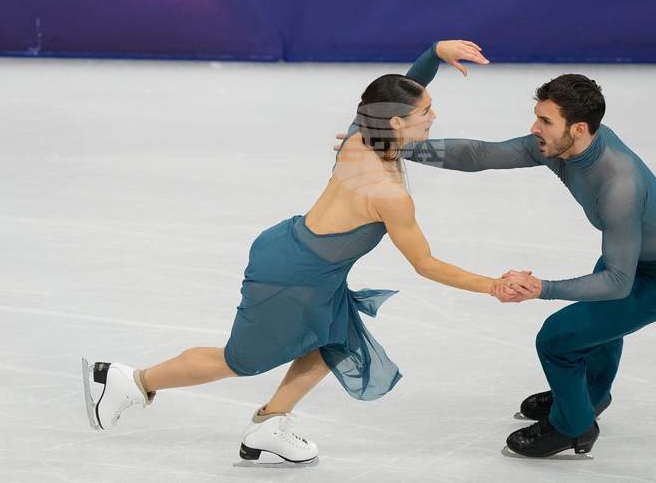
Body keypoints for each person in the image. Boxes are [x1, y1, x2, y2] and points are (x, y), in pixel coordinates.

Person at [81, 40, 519, 466]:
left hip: (299, 256)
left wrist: (433, 56)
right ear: (399, 123)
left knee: (333, 341)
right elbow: (425, 264)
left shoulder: (359, 137)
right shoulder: (388, 194)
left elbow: (395, 95)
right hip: (292, 277)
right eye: (425, 112)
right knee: (239, 361)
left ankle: (269, 426)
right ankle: (129, 382)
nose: (433, 116)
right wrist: (493, 285)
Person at [401, 71, 656, 458]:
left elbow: (616, 283)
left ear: (578, 128)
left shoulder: (619, 186)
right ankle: (584, 397)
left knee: (557, 339)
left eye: (545, 121)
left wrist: (542, 288)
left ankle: (574, 426)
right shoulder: (561, 146)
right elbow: (480, 154)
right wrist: (396, 147)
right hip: (638, 252)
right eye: (537, 116)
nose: (534, 128)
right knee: (595, 330)